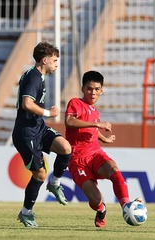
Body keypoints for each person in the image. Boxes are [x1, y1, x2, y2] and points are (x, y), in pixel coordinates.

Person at [65, 70, 141, 228]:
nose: (93, 92)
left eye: (96, 89)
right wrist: (96, 124)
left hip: (95, 153)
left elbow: (91, 130)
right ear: (82, 88)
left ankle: (126, 207)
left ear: (101, 90)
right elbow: (70, 122)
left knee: (115, 170)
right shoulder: (75, 103)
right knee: (95, 199)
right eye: (89, 88)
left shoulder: (95, 111)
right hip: (77, 160)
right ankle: (101, 209)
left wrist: (103, 138)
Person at [12, 41, 72, 227]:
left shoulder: (37, 75)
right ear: (44, 60)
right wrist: (49, 114)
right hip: (26, 133)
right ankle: (26, 213)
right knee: (39, 174)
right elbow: (27, 104)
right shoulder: (35, 77)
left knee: (65, 148)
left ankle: (55, 183)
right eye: (54, 60)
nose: (56, 64)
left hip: (38, 127)